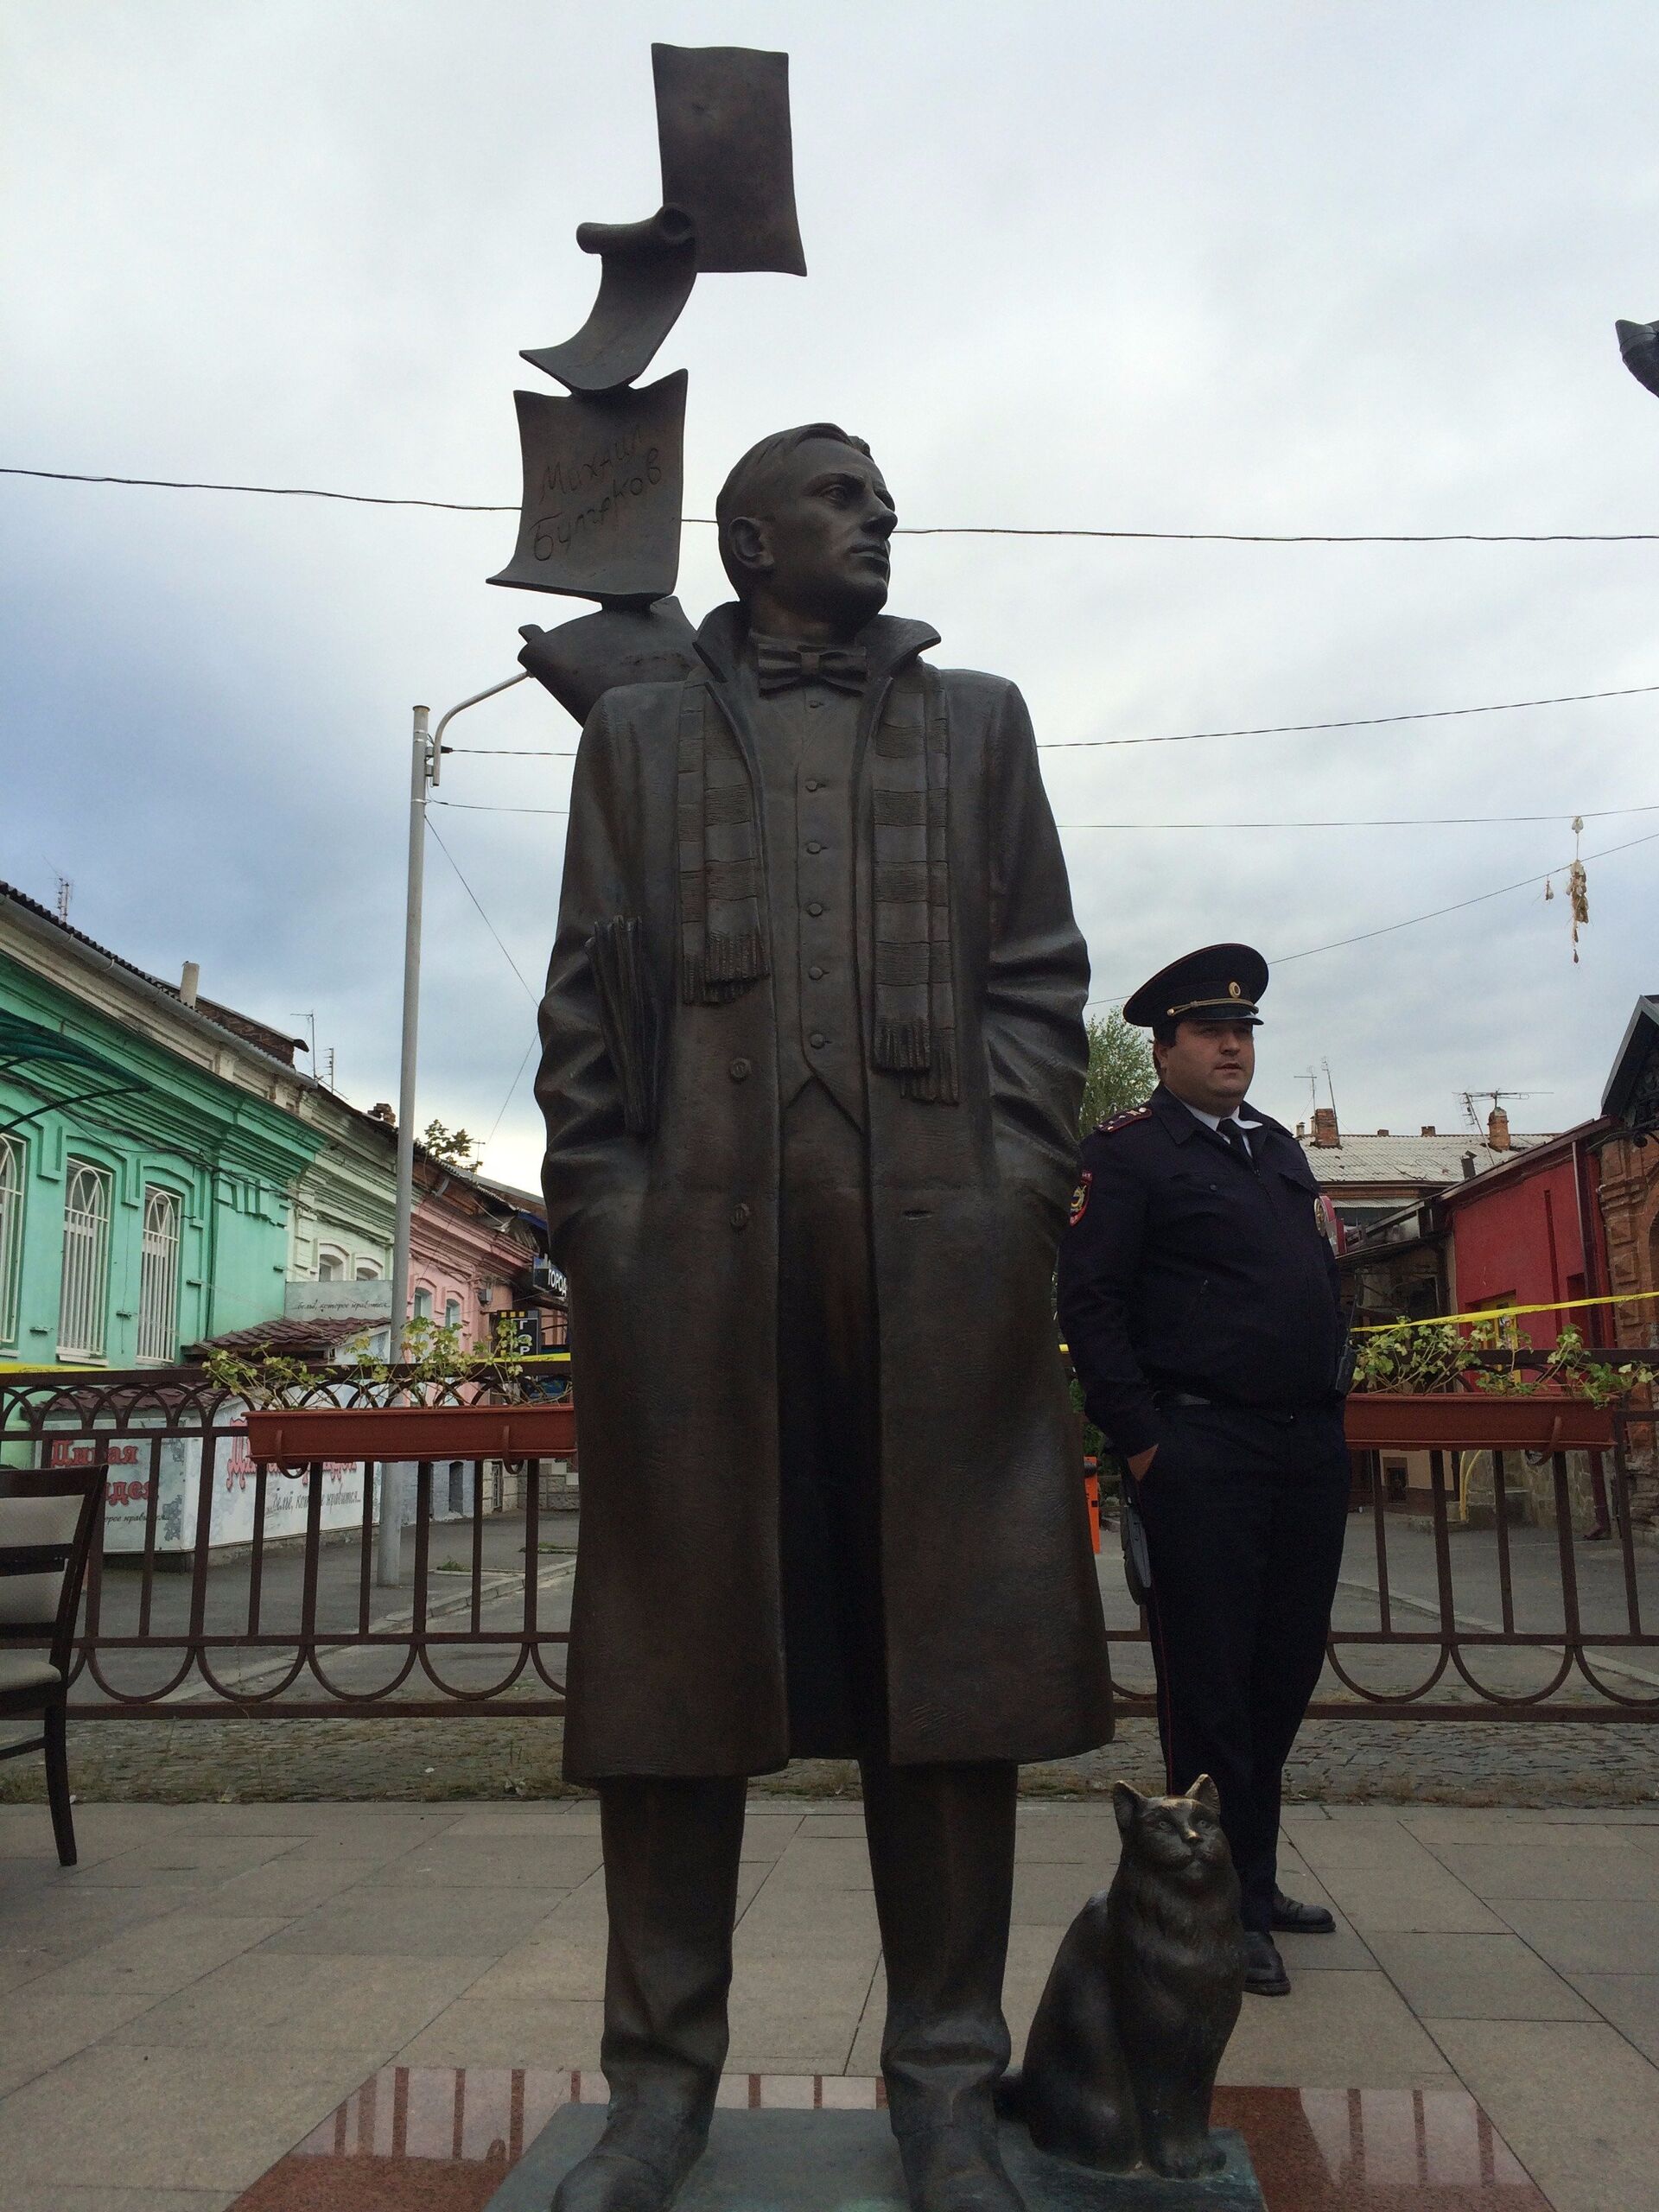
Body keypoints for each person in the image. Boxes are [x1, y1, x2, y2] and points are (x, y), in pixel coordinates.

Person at [537, 422, 1112, 2212]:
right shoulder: (633, 735)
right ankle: (658, 2086)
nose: (881, 518)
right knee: (674, 1665)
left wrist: (1016, 1190)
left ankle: (949, 2083)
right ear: (748, 536)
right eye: (844, 496)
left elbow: (1038, 979)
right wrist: (607, 1221)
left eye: (880, 497)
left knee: (946, 1669)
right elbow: (580, 1007)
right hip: (692, 1260)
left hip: (935, 1248)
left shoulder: (980, 720)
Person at [1057, 944, 1350, 1998]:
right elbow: (1090, 1306)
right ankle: (1214, 1908)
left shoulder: (1276, 1148)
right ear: (1165, 1046)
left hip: (1305, 1447)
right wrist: (1143, 1443)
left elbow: (1319, 1274)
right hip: (1201, 1449)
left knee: (1283, 1672)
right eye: (1212, 1031)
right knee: (1213, 1689)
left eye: (1246, 1031)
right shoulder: (1127, 1153)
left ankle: (1254, 1882)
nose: (1235, 1045)